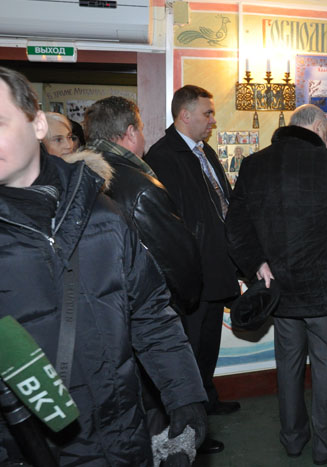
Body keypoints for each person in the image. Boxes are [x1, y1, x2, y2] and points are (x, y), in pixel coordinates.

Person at [0, 67, 207, 465]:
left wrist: (184, 396)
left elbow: (150, 313)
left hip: (124, 437)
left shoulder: (102, 212)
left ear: (37, 123)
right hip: (29, 451)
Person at [226, 104, 327, 465]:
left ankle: (292, 439)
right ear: (317, 128)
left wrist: (256, 264)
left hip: (280, 288)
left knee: (288, 366)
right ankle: (326, 444)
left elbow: (235, 225)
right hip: (325, 291)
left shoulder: (254, 164)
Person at [145, 85, 241, 455]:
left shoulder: (205, 151)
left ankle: (209, 400)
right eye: (207, 113)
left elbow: (221, 203)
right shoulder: (163, 156)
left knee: (208, 346)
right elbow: (168, 224)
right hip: (191, 275)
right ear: (185, 115)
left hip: (215, 269)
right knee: (189, 352)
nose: (213, 120)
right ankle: (192, 427)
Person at [84, 96, 203, 318]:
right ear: (130, 132)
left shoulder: (73, 175)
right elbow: (176, 262)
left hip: (92, 308)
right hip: (140, 313)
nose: (143, 137)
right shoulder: (141, 189)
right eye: (141, 130)